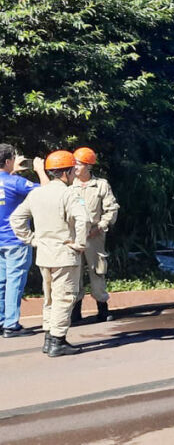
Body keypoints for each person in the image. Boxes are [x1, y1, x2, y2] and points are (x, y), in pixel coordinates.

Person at [10, 150, 88, 357]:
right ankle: (58, 341)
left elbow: (16, 219)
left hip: (44, 254)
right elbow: (83, 219)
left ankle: (48, 338)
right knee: (65, 297)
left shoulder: (36, 193)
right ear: (68, 172)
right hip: (65, 254)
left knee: (50, 298)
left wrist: (32, 239)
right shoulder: (70, 194)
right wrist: (79, 243)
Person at [0, 144, 48, 337]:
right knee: (15, 282)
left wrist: (13, 172)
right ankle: (11, 325)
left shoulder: (11, 180)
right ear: (8, 161)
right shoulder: (16, 182)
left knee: (1, 282)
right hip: (15, 240)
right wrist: (40, 170)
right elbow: (45, 191)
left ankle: (2, 320)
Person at [70, 147, 119, 323]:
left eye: (78, 164)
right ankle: (75, 311)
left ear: (88, 166)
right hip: (73, 236)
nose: (75, 167)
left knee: (97, 270)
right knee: (73, 272)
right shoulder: (68, 184)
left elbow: (111, 209)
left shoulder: (101, 185)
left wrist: (101, 226)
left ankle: (102, 308)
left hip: (95, 236)